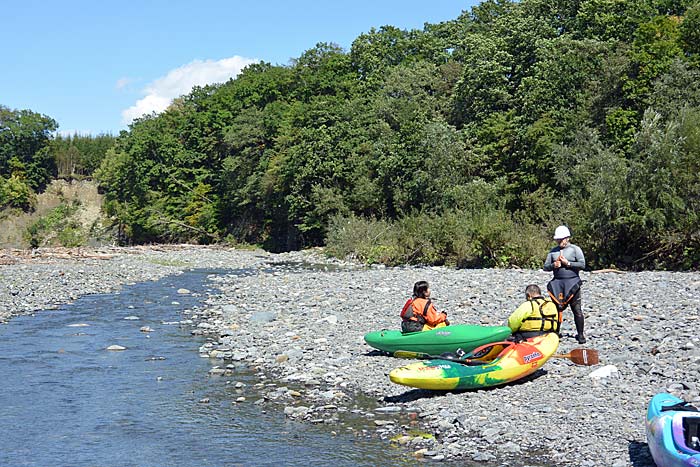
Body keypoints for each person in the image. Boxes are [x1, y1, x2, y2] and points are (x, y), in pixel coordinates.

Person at [543, 225, 587, 344]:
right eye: (557, 240)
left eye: (561, 239)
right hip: (558, 283)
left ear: (567, 238)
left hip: (572, 282)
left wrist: (567, 263)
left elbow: (582, 265)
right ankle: (555, 333)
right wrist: (554, 265)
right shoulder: (553, 252)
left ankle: (581, 334)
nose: (559, 242)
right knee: (556, 310)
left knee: (576, 310)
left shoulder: (575, 249)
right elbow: (545, 267)